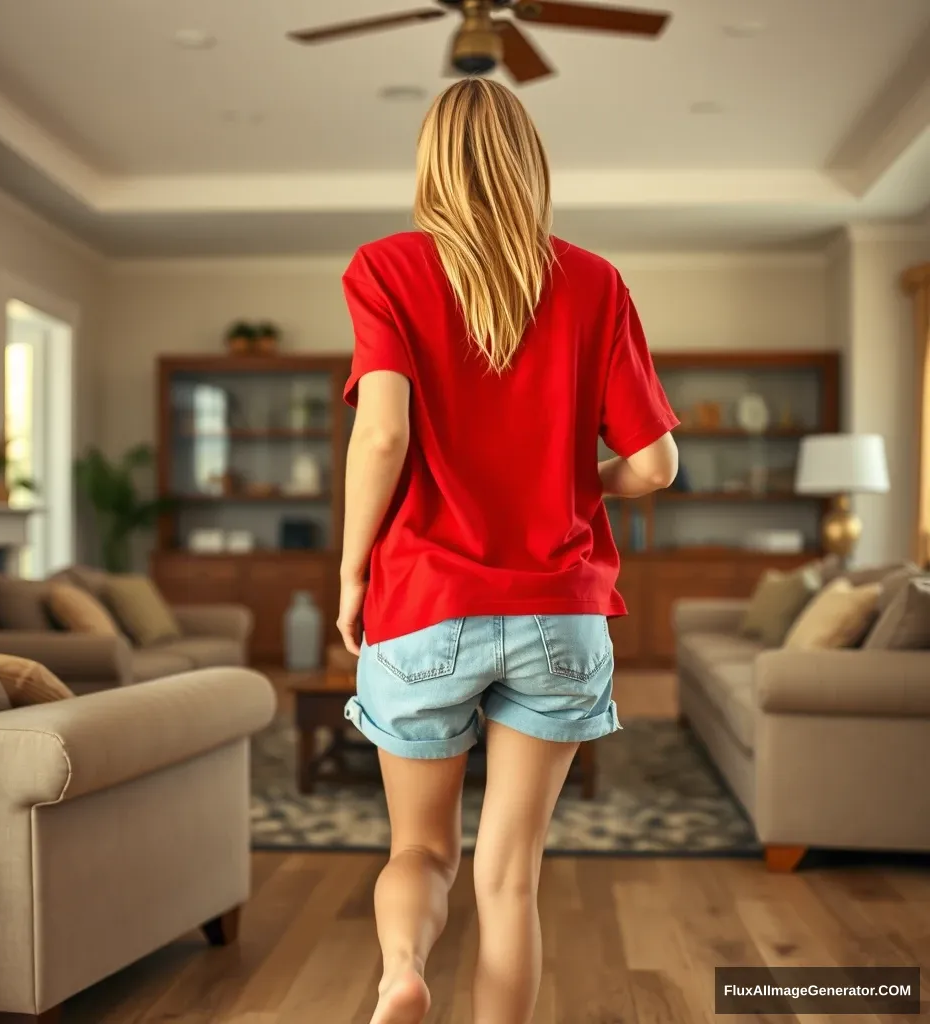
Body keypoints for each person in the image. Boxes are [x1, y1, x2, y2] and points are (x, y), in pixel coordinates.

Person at [337, 78, 679, 1024]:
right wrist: (583, 481)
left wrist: (351, 570)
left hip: (423, 603)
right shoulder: (595, 280)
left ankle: (402, 971)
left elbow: (382, 437)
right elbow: (655, 464)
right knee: (510, 874)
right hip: (562, 613)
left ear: (430, 166)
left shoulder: (385, 269)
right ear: (530, 166)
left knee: (421, 852)